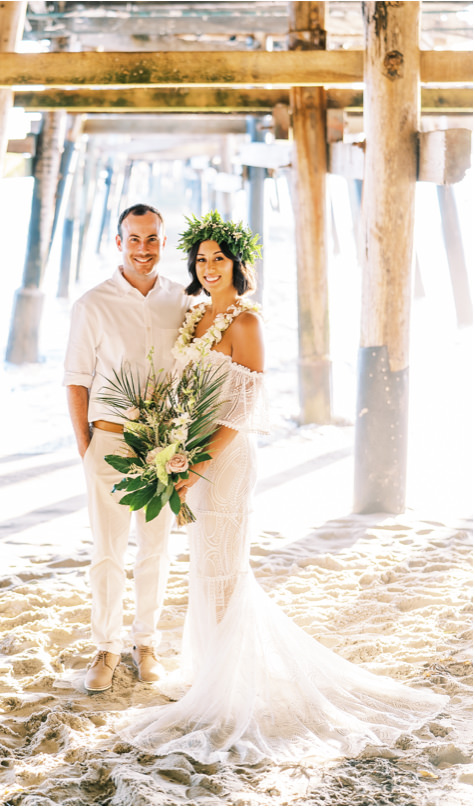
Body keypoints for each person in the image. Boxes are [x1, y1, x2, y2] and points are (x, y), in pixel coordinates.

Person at [119, 212, 447, 763]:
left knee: (225, 568)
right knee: (204, 566)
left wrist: (192, 458)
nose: (208, 267)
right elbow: (179, 391)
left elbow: (245, 406)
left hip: (223, 458)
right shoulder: (196, 315)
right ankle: (210, 672)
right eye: (200, 259)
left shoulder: (245, 323)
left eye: (218, 258)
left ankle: (229, 686)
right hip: (189, 458)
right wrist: (170, 456)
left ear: (236, 264)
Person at [63, 203, 189, 692]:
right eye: (133, 239)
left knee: (155, 549)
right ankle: (106, 647)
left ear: (163, 241)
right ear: (118, 243)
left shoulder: (181, 301)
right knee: (108, 551)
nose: (143, 249)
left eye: (152, 239)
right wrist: (87, 447)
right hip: (109, 441)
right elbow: (75, 380)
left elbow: (193, 373)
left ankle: (146, 643)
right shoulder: (92, 305)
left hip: (163, 444)